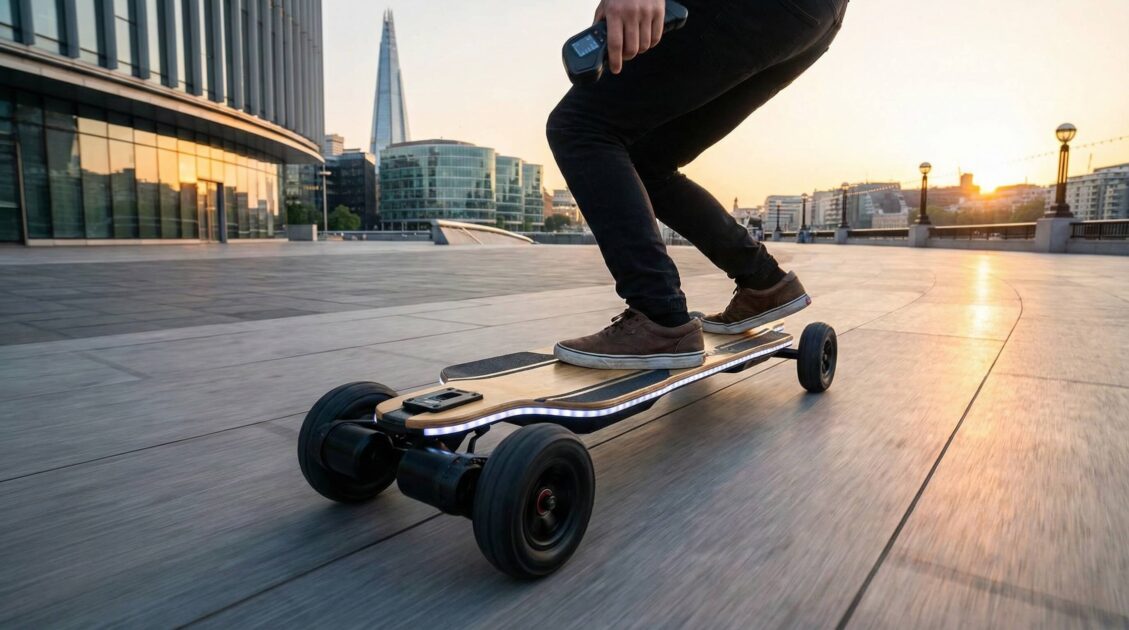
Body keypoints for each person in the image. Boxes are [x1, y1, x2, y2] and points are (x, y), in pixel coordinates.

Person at [548, 0, 847, 369]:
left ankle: (659, 318)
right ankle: (764, 282)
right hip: (814, 18)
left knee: (580, 126)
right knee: (647, 161)